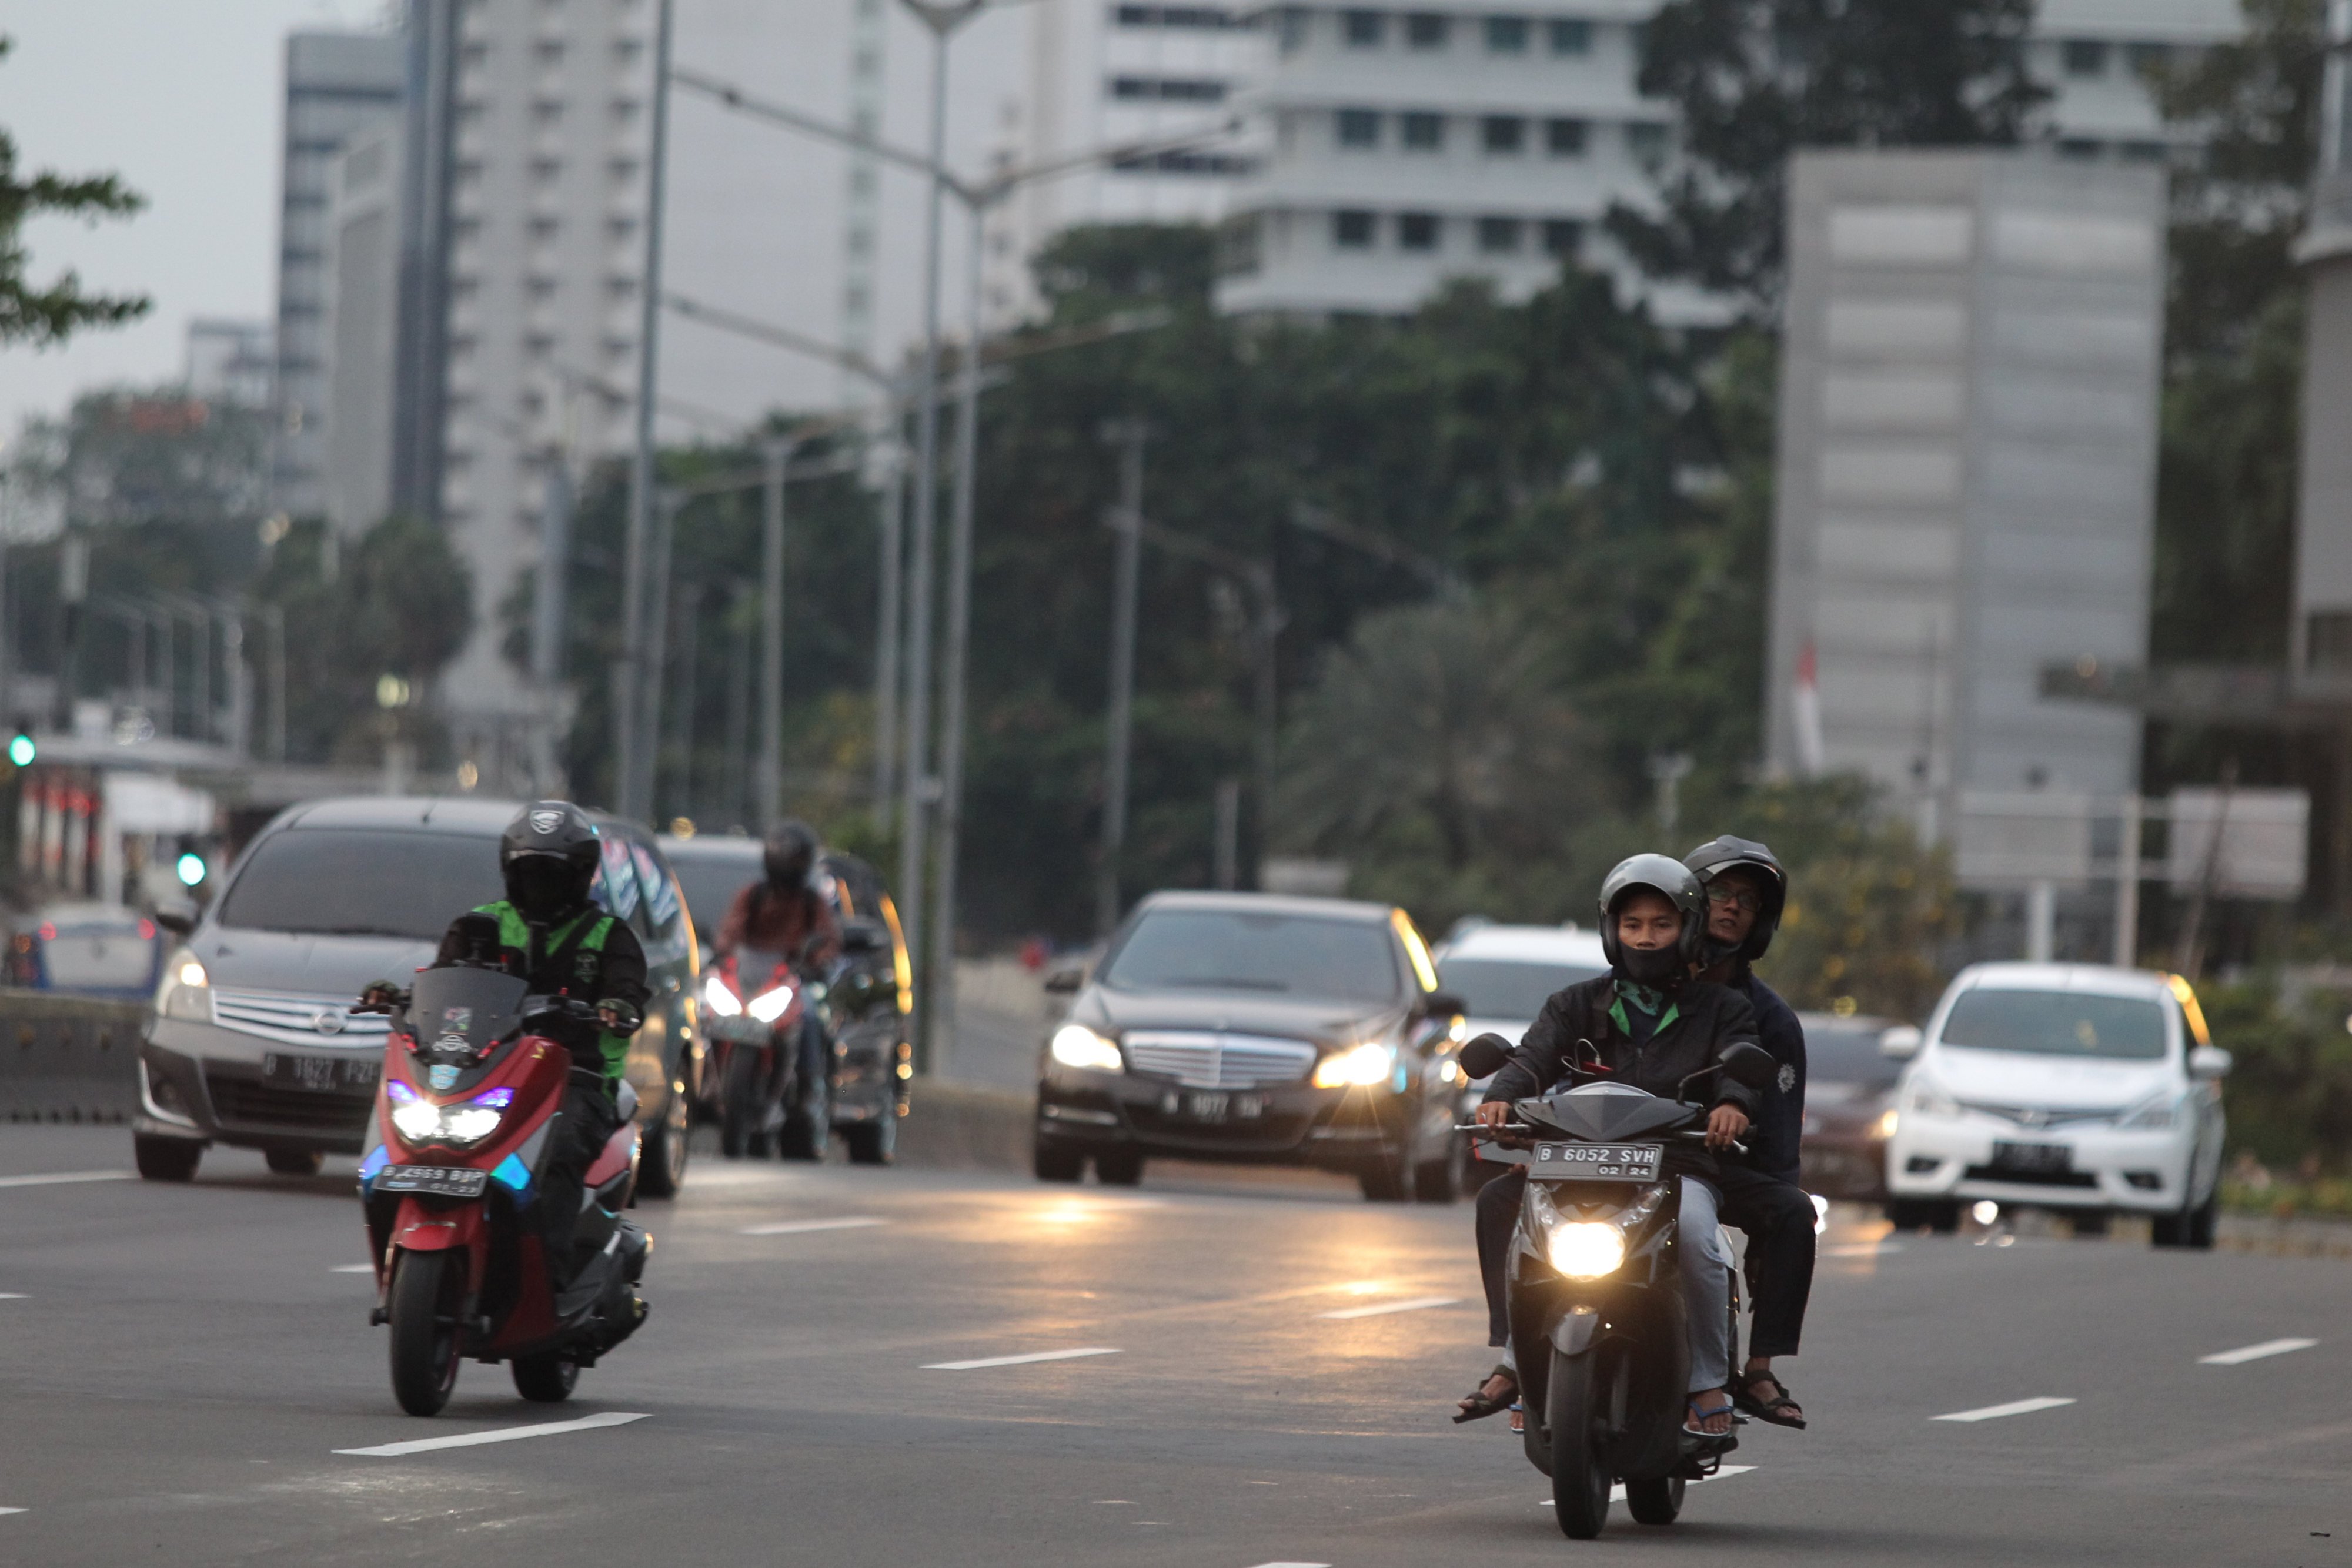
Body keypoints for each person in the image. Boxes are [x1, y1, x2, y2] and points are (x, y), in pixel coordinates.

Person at [1454, 854, 1764, 1440]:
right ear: (1610, 930)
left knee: (1699, 1238)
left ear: (1689, 930)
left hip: (1676, 1166)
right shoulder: (1573, 1003)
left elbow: (1739, 1071)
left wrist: (1732, 1105)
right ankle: (1517, 1362)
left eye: (1661, 925)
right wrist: (1500, 1099)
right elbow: (1531, 1059)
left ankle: (1706, 1380)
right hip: (1573, 1162)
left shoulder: (1723, 1009)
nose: (1645, 938)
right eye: (1632, 924)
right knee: (1500, 1205)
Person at [366, 801, 648, 1289]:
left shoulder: (609, 936)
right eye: (530, 870)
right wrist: (402, 997)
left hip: (577, 1080)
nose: (540, 882)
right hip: (487, 1070)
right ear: (509, 870)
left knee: (559, 1150)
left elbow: (630, 992)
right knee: (417, 1132)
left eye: (553, 872)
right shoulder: (479, 925)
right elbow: (441, 986)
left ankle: (551, 1280)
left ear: (581, 875)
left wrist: (618, 1005)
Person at [1683, 835, 1816, 1430]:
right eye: (1721, 892)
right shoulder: (1640, 983)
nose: (1733, 906)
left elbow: (1780, 1138)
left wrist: (1764, 1236)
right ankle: (1519, 1361)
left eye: (1748, 899)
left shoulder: (1770, 1020)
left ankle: (1758, 1368)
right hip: (1632, 1158)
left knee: (1791, 1210)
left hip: (1719, 1167)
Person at [714, 821, 843, 1127]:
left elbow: (829, 940)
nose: (788, 865)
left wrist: (817, 961)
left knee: (809, 1016)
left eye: (795, 859)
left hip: (793, 978)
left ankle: (808, 1086)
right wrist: (721, 953)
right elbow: (731, 930)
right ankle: (707, 1084)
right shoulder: (753, 895)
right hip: (751, 977)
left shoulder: (812, 902)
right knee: (708, 1011)